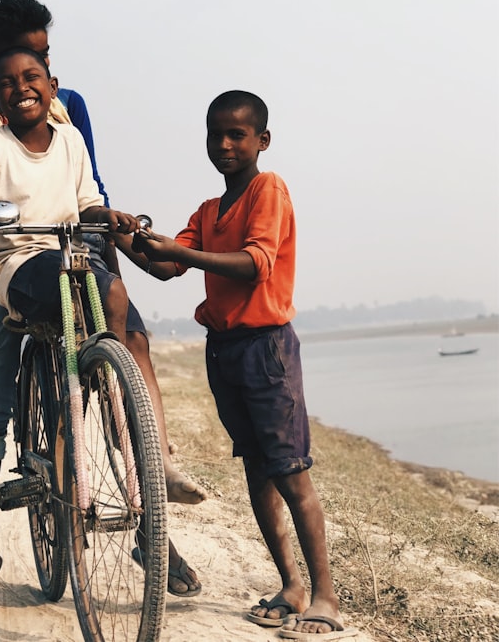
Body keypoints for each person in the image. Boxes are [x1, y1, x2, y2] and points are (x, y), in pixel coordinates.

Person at [0, 0, 206, 619]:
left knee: (128, 343)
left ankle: (149, 503)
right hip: (7, 263)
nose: (40, 70)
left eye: (45, 58)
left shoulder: (71, 110)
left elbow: (91, 194)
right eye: (28, 56)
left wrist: (132, 251)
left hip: (77, 247)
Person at [132, 90, 357, 640]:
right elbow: (166, 266)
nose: (226, 144)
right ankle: (291, 586)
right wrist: (127, 240)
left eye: (237, 134)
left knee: (290, 471)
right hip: (225, 352)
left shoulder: (268, 189)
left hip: (267, 350)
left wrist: (180, 253)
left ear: (263, 140)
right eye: (216, 134)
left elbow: (256, 265)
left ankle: (324, 596)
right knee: (257, 470)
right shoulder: (208, 212)